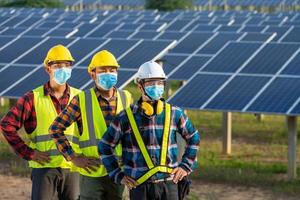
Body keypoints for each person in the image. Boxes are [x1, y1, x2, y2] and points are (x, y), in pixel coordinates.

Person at [98, 61, 200, 200]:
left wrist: (185, 166)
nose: (156, 87)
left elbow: (193, 137)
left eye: (159, 83)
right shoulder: (125, 117)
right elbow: (104, 146)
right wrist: (118, 175)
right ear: (140, 86)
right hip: (139, 187)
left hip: (170, 185)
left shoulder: (175, 113)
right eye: (151, 83)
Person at [0, 44, 81, 200]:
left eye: (66, 65)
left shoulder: (80, 97)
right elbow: (6, 125)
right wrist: (28, 153)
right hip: (44, 170)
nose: (63, 69)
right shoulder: (33, 98)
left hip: (73, 169)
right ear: (47, 69)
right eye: (57, 65)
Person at [49, 50, 132, 200]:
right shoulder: (82, 99)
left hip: (120, 172)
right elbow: (55, 129)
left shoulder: (127, 97)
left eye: (112, 70)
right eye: (103, 70)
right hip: (92, 173)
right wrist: (72, 157)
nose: (108, 73)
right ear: (92, 74)